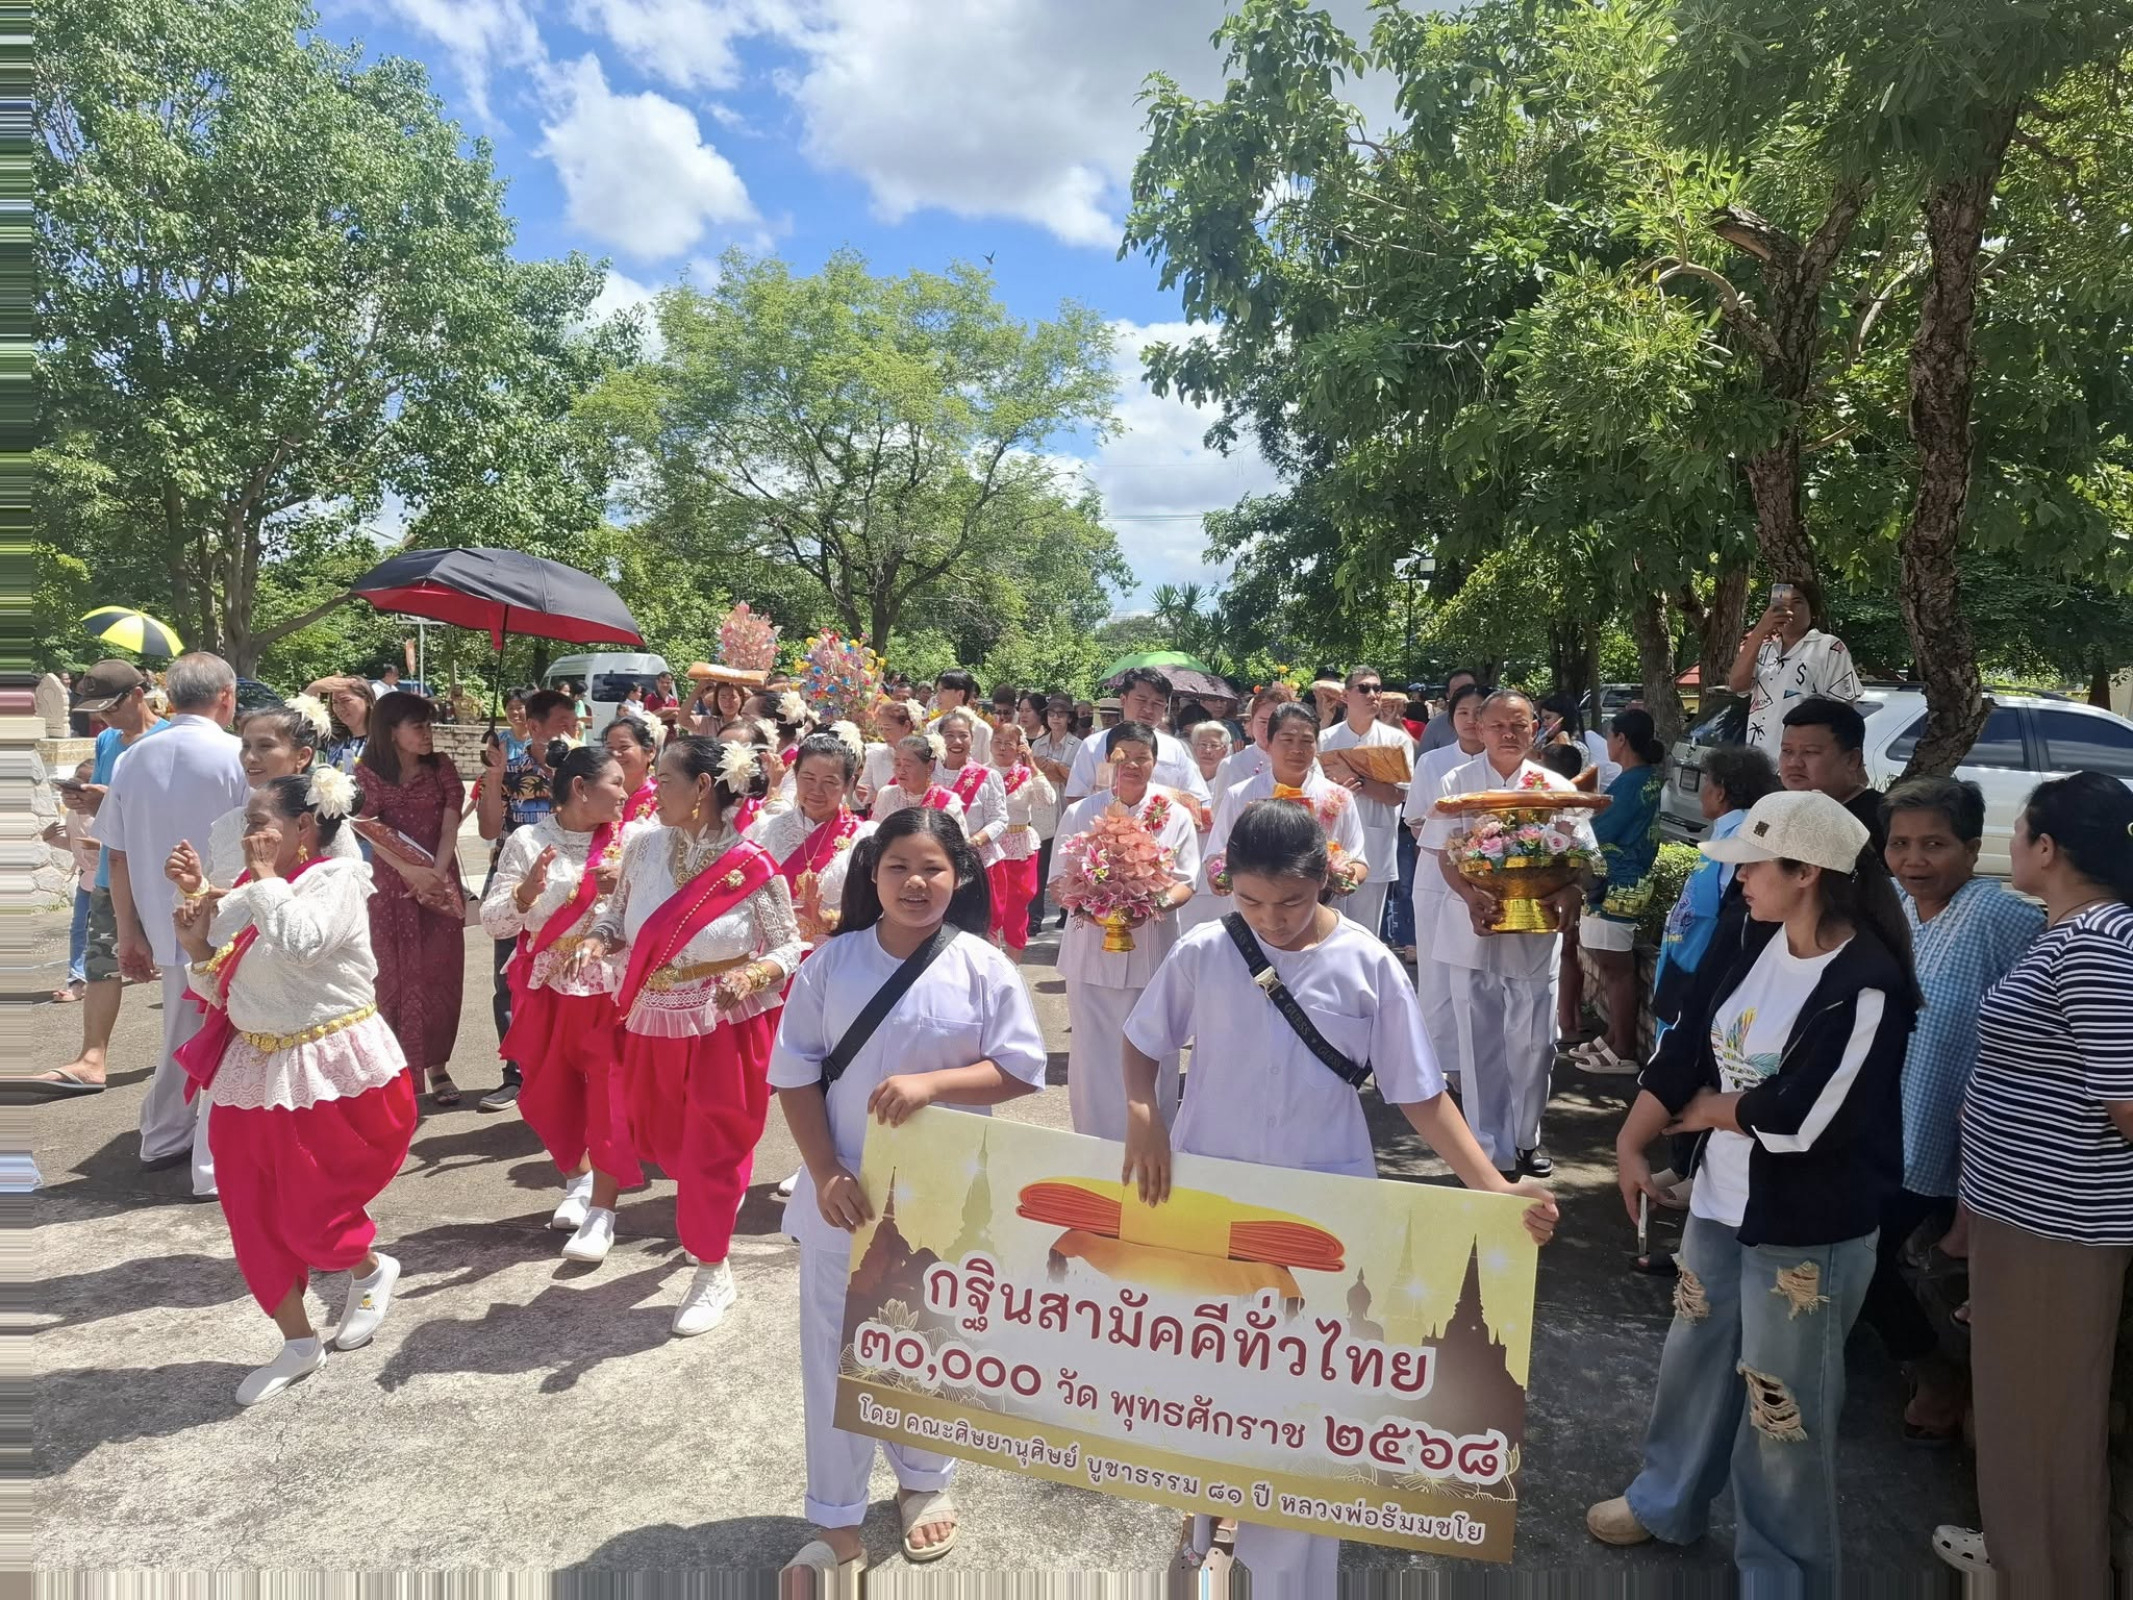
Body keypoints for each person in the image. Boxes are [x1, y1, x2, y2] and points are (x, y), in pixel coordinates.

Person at [1123, 799, 1559, 1589]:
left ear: (1325, 880)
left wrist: (1491, 1190)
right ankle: (1207, 1516)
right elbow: (1140, 1042)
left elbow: (1419, 1094)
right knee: (1208, 1373)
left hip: (1324, 1208)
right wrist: (1144, 1118)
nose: (1271, 921)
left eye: (1290, 902)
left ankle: (1290, 1573)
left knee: (1302, 1391)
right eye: (1250, 903)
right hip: (1209, 1196)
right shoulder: (1200, 950)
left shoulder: (1367, 964)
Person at [1593, 790, 1919, 1589]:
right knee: (1694, 1361)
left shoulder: (1867, 985)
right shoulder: (1748, 933)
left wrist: (1706, 1111)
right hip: (1718, 1205)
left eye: (1751, 867)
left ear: (1806, 872)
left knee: (1783, 1409)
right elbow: (1684, 1044)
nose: (1737, 882)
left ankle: (1784, 1573)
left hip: (1806, 1229)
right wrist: (1632, 1138)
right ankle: (1666, 1500)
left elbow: (1809, 1119)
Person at [770, 807, 1048, 1586]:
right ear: (871, 874)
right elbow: (794, 1072)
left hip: (944, 1193)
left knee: (929, 1338)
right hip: (846, 1191)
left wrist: (935, 1084)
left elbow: (1023, 1066)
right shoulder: (831, 963)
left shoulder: (981, 965)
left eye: (931, 868)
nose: (914, 883)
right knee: (833, 1353)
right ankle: (835, 1517)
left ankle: (924, 1480)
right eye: (897, 868)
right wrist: (824, 1170)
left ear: (957, 875)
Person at [1931, 773, 2133, 1596]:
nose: (2006, 848)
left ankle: (2048, 1578)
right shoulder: (2075, 935)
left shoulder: (2093, 948)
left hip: (2061, 1229)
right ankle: (2018, 1560)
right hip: (2025, 1218)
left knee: (2045, 1423)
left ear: (2046, 849)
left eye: (2017, 834)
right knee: (2019, 1412)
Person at [169, 770, 416, 1406]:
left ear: (303, 828)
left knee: (312, 1215)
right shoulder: (260, 889)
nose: (248, 834)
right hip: (252, 1070)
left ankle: (367, 1266)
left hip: (327, 1070)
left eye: (259, 823)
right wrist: (198, 936)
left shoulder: (337, 881)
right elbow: (224, 984)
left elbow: (301, 942)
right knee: (248, 1210)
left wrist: (261, 883)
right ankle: (297, 1342)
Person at [570, 737, 803, 1335]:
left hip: (724, 1025)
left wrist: (753, 972)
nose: (651, 786)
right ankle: (703, 1231)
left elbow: (785, 945)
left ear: (703, 788)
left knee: (712, 1150)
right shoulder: (644, 848)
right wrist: (600, 938)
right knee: (663, 1138)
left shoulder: (751, 864)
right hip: (653, 1018)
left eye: (665, 778)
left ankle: (711, 1267)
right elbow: (616, 916)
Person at [1859, 778, 2041, 1444]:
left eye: (1933, 844)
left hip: (1944, 1136)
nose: (1913, 860)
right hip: (1881, 1123)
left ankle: (1935, 1376)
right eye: (1899, 844)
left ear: (1970, 848)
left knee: (1866, 1258)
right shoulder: (1897, 911)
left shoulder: (1999, 915)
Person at [1417, 690, 1595, 1179]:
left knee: (1535, 1042)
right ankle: (1486, 1145)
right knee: (1479, 1043)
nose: (1508, 734)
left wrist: (1571, 890)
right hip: (1472, 924)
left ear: (1534, 727)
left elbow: (1580, 856)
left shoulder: (1555, 785)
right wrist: (1471, 893)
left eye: (1519, 725)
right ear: (1480, 728)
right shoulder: (1457, 782)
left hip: (1535, 926)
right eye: (1497, 725)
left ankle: (1526, 1137)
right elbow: (1441, 851)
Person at [481, 746, 644, 1263]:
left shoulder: (634, 840)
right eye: (615, 782)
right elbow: (496, 923)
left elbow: (658, 917)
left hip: (610, 990)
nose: (625, 792)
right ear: (580, 788)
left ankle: (603, 1212)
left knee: (609, 1100)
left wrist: (628, 894)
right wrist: (528, 895)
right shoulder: (529, 840)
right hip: (548, 987)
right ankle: (576, 1176)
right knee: (548, 1097)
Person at [95, 653, 251, 1194]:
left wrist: (129, 932)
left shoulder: (131, 758)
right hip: (222, 911)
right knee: (228, 1036)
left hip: (164, 915)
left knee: (181, 1033)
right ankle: (209, 1162)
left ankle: (163, 1136)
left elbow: (115, 855)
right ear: (226, 696)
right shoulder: (236, 754)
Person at [1051, 721, 1201, 1139]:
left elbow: (1187, 881)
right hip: (1090, 954)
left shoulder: (1174, 816)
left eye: (1142, 756)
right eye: (1123, 756)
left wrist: (1149, 903)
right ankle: (1094, 1149)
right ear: (1108, 760)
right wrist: (1092, 902)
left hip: (1152, 953)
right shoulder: (1081, 812)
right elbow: (1057, 882)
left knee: (1155, 1050)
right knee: (1092, 1056)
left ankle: (1156, 1144)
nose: (1132, 765)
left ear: (1155, 762)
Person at [25, 662, 168, 1098]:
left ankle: (193, 1057)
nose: (103, 719)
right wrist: (85, 800)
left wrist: (108, 798)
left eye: (110, 707)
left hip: (163, 874)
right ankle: (92, 1060)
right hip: (112, 871)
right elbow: (112, 814)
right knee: (102, 962)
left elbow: (166, 811)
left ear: (138, 695)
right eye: (97, 709)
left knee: (187, 968)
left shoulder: (169, 741)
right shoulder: (106, 741)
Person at [356, 693, 467, 1108]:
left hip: (439, 883)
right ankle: (395, 1068)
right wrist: (410, 872)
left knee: (441, 975)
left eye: (429, 726)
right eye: (417, 726)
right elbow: (366, 827)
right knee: (391, 976)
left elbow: (450, 823)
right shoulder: (367, 775)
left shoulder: (442, 769)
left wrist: (435, 875)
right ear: (390, 731)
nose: (427, 734)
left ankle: (437, 1066)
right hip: (391, 887)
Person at [474, 688, 583, 1112]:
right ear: (532, 728)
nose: (569, 732)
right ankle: (515, 1074)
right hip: (518, 888)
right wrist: (496, 776)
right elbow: (487, 830)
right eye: (560, 725)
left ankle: (565, 1072)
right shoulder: (511, 770)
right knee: (510, 978)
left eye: (574, 724)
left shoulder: (583, 772)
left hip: (572, 891)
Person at [1649, 745, 1780, 1041]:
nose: (1702, 791)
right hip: (1685, 953)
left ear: (1720, 792)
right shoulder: (1727, 829)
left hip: (1703, 962)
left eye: (1706, 782)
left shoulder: (1743, 835)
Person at [1568, 710, 1670, 1075]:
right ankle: (1614, 1037)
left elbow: (1601, 829)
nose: (1607, 743)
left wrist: (1570, 821)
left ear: (1622, 739)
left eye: (1610, 736)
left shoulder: (1632, 782)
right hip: (1617, 881)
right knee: (1609, 964)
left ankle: (1624, 1048)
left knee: (1617, 969)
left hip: (1620, 883)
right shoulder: (1641, 778)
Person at [1203, 704, 1368, 928]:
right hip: (1255, 917)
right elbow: (1216, 853)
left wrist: (1341, 876)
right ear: (1268, 744)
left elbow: (1358, 860)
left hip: (1321, 915)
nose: (1297, 749)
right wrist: (1219, 876)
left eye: (1306, 741)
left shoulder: (1339, 797)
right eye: (1287, 740)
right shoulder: (1240, 794)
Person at [1402, 682, 1488, 1074]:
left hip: (1492, 883)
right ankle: (1437, 1065)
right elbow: (1416, 819)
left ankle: (1478, 1063)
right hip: (1437, 876)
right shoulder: (1432, 762)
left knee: (1480, 975)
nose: (1471, 721)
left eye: (1479, 712)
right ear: (1451, 719)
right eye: (1463, 713)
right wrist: (1459, 851)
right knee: (1437, 976)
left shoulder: (1504, 765)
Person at [200, 702, 349, 889]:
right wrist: (194, 892)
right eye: (246, 746)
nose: (249, 758)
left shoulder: (327, 825)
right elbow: (204, 898)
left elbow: (346, 902)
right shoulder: (228, 825)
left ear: (302, 756)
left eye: (265, 746)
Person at [1318, 666, 1412, 944]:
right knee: (1326, 929)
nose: (1372, 694)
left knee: (1365, 933)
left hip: (1375, 842)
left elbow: (1399, 795)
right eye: (1363, 688)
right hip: (1331, 842)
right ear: (1346, 696)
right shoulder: (1324, 739)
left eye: (1376, 688)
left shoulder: (1396, 741)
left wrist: (1356, 780)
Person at [748, 731, 866, 952]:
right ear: (795, 774)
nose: (816, 790)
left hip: (832, 955)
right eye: (808, 778)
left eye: (830, 781)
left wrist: (825, 919)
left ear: (848, 783)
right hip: (772, 958)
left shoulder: (864, 838)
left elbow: (875, 910)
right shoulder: (767, 830)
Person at [1728, 578, 1860, 754]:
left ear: (1812, 612)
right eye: (1782, 604)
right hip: (1760, 762)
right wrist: (1760, 630)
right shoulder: (1763, 649)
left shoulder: (1829, 647)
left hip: (1805, 761)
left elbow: (1845, 708)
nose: (1789, 609)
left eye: (1797, 602)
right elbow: (1737, 685)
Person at [1062, 669, 1211, 806]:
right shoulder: (1093, 745)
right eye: (1141, 700)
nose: (1148, 710)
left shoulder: (1175, 748)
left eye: (1157, 703)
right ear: (1123, 700)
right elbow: (1076, 797)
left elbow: (1198, 799)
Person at [985, 720, 1052, 960]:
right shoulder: (981, 773)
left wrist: (1032, 765)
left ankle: (1014, 966)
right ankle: (990, 964)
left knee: (1015, 910)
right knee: (990, 909)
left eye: (1009, 744)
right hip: (990, 846)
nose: (1002, 748)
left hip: (1019, 846)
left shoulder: (1024, 774)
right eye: (998, 742)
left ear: (1020, 747)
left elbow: (1048, 799)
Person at [1780, 697, 1884, 851]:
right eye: (1787, 751)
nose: (1794, 763)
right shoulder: (1776, 810)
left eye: (1809, 752)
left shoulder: (1884, 821)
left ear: (1852, 759)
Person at [1027, 695, 1082, 935]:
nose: (1056, 718)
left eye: (1061, 714)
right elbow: (1032, 773)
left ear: (1070, 718)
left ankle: (1065, 913)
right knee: (1038, 867)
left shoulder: (1078, 746)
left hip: (1066, 809)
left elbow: (1075, 778)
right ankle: (1035, 918)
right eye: (1051, 714)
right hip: (1042, 810)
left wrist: (1056, 769)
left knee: (1067, 865)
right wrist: (1055, 770)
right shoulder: (1037, 744)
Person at [933, 710, 1009, 876]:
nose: (957, 741)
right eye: (949, 735)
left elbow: (999, 820)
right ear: (939, 739)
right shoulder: (927, 773)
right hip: (932, 861)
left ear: (972, 739)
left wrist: (974, 841)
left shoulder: (988, 777)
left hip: (976, 861)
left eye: (963, 735)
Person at [54, 758, 99, 1002]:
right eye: (76, 780)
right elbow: (74, 847)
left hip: (113, 880)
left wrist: (101, 846)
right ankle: (77, 980)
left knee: (134, 924)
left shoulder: (105, 815)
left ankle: (152, 959)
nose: (78, 787)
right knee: (79, 928)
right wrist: (51, 839)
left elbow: (128, 849)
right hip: (86, 880)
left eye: (86, 782)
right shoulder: (72, 816)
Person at [1213, 683, 1295, 795]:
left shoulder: (1302, 762)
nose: (1269, 728)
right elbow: (1220, 811)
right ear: (1252, 722)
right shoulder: (1232, 766)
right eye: (1263, 721)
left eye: (1276, 722)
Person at [870, 735, 965, 825]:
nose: (901, 771)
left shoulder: (948, 801)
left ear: (929, 767)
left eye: (908, 765)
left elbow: (957, 841)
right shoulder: (886, 794)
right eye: (897, 764)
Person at [858, 698, 921, 809]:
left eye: (888, 728)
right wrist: (862, 794)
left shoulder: (924, 756)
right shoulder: (875, 755)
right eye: (880, 728)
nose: (883, 734)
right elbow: (862, 793)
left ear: (906, 726)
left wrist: (879, 796)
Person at [304, 676, 374, 773]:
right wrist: (313, 688)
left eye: (346, 700)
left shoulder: (384, 740)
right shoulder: (331, 737)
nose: (340, 708)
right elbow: (298, 730)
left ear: (366, 700)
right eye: (335, 702)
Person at [603, 717, 660, 822]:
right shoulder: (599, 795)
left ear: (650, 751)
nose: (615, 754)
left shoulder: (662, 797)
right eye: (609, 748)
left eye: (624, 747)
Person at [929, 670, 993, 763]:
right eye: (937, 691)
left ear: (960, 694)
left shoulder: (982, 729)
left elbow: (987, 765)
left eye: (942, 691)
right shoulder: (933, 727)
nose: (937, 697)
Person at [1417, 669, 1479, 754]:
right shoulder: (1435, 725)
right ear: (1448, 695)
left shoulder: (1492, 721)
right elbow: (1422, 760)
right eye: (1457, 691)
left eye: (1469, 689)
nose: (1464, 695)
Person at [1187, 720, 1232, 787]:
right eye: (1203, 744)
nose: (1207, 750)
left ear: (1224, 750)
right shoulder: (1185, 777)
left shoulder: (1231, 779)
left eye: (1214, 745)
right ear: (1195, 747)